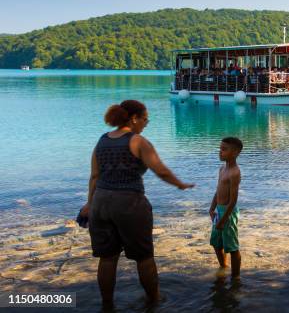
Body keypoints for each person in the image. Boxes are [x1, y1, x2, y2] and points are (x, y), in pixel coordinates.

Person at [81, 100, 195, 310]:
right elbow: (160, 170)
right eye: (145, 119)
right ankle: (154, 300)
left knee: (107, 258)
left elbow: (94, 176)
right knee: (143, 257)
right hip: (129, 203)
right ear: (134, 119)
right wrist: (180, 184)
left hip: (100, 203)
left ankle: (107, 305)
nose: (146, 123)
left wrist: (89, 204)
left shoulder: (102, 140)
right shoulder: (137, 141)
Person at [209, 137, 243, 281]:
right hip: (219, 211)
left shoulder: (235, 173)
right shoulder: (222, 169)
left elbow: (233, 200)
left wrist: (223, 220)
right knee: (216, 242)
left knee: (232, 246)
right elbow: (218, 191)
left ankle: (235, 278)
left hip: (228, 213)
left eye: (224, 149)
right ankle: (223, 267)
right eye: (220, 148)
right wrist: (212, 208)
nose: (220, 152)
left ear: (235, 153)